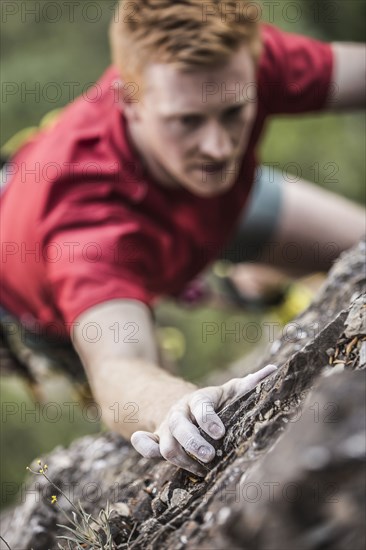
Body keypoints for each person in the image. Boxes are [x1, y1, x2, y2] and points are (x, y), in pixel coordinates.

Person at [1, 0, 365, 477]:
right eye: (188, 121)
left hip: (207, 202)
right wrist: (179, 404)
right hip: (54, 269)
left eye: (235, 112)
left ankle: (252, 281)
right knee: (167, 410)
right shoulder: (85, 215)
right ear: (129, 101)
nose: (218, 146)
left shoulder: (234, 65)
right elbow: (120, 370)